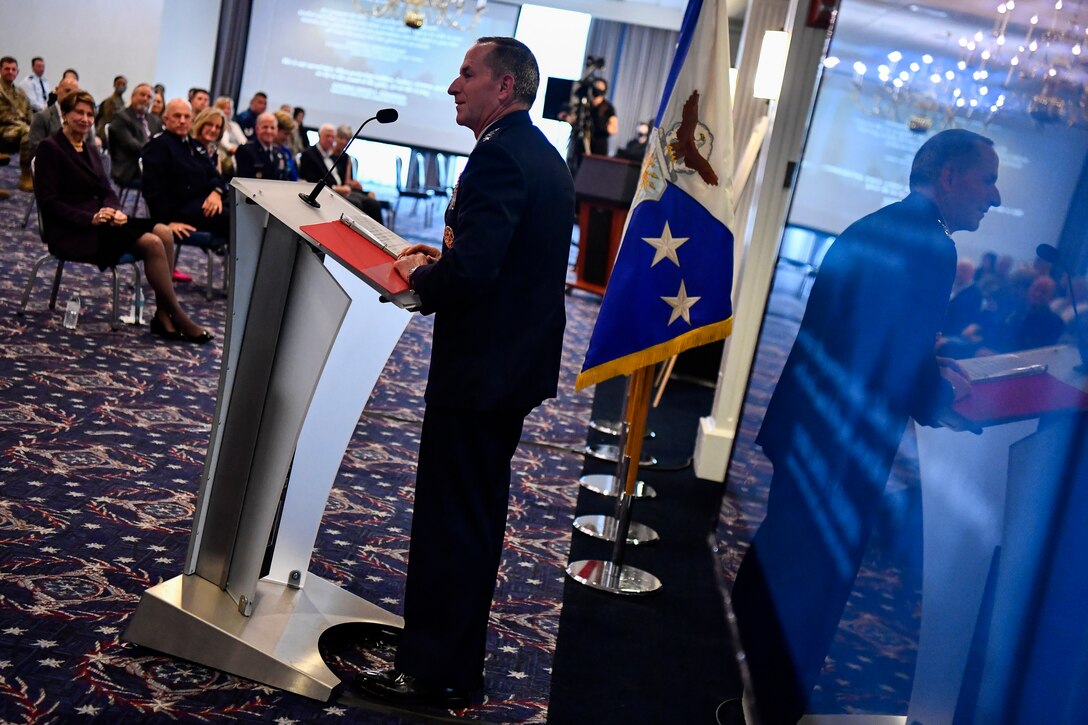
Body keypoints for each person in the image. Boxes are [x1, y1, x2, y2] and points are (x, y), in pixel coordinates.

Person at [730, 128, 1000, 724]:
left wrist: (929, 369)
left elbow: (871, 340)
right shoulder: (932, 247)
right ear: (948, 177)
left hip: (812, 429)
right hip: (842, 447)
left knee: (781, 558)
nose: (996, 197)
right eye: (987, 179)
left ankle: (730, 670)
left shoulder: (878, 225)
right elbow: (891, 358)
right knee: (810, 587)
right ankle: (764, 707)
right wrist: (942, 396)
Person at [353, 36, 574, 709]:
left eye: (466, 73)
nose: (454, 85)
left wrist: (420, 279)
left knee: (453, 521)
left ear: (503, 87)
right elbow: (494, 259)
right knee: (472, 516)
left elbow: (475, 274)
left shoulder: (500, 157)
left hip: (481, 374)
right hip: (509, 368)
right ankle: (448, 657)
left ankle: (436, 672)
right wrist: (440, 263)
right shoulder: (538, 153)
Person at [33, 91, 212, 343]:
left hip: (103, 222)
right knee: (151, 243)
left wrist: (114, 209)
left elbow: (107, 190)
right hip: (74, 230)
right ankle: (177, 315)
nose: (85, 119)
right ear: (65, 115)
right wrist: (90, 218)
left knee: (163, 231)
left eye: (89, 113)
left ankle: (162, 314)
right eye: (79, 113)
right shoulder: (50, 148)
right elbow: (49, 203)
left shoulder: (89, 148)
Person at [141, 98, 230, 240]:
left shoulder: (193, 144)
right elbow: (153, 190)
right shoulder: (158, 146)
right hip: (181, 209)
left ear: (192, 119)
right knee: (237, 220)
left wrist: (216, 192)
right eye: (177, 116)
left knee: (245, 206)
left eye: (186, 117)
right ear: (166, 119)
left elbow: (216, 175)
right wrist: (166, 222)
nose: (182, 121)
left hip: (206, 202)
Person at [298, 123, 382, 222]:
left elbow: (343, 180)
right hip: (328, 191)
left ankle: (377, 234)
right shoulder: (309, 154)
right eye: (327, 136)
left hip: (340, 189)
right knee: (357, 204)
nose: (330, 139)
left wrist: (364, 191)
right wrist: (336, 188)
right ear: (320, 135)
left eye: (332, 137)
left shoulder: (333, 155)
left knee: (373, 203)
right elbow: (311, 179)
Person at [107, 82, 162, 187]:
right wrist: (156, 154)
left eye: (149, 97)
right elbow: (132, 146)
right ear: (133, 96)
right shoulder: (121, 118)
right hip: (130, 168)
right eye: (142, 95)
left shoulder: (154, 120)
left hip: (150, 165)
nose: (145, 99)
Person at [28, 76, 85, 159]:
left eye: (74, 93)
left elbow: (91, 149)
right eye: (67, 91)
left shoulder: (83, 119)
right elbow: (35, 150)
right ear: (57, 90)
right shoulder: (41, 117)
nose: (70, 95)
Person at [0, 55, 34, 192]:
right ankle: (25, 175)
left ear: (17, 72)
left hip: (19, 127)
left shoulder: (20, 92)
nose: (10, 72)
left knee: (37, 130)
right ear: (0, 70)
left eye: (13, 69)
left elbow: (29, 112)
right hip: (3, 128)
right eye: (7, 69)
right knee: (27, 131)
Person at [234, 111, 290, 180]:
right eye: (265, 127)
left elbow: (283, 181)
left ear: (276, 130)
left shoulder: (280, 154)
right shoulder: (245, 150)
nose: (269, 131)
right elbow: (244, 180)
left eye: (272, 128)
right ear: (257, 129)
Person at [190, 107, 227, 173]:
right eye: (209, 124)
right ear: (201, 124)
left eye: (217, 127)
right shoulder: (189, 147)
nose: (213, 130)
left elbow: (219, 178)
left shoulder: (214, 152)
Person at [587, 77, 617, 155]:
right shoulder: (586, 105)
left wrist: (606, 126)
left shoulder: (608, 107)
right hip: (582, 142)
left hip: (599, 145)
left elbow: (614, 129)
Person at [95, 75, 126, 141]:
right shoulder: (109, 101)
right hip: (105, 133)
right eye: (119, 83)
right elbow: (108, 117)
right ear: (114, 85)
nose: (121, 86)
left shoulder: (123, 102)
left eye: (124, 84)